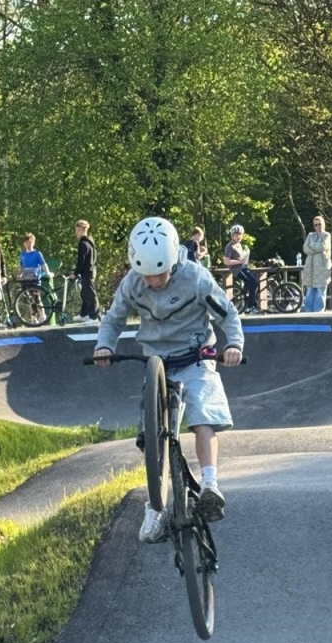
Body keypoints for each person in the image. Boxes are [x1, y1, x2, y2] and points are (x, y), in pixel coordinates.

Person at [93, 216, 243, 542]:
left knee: (203, 413)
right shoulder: (133, 283)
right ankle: (156, 506)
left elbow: (227, 314)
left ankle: (210, 485)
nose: (154, 281)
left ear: (174, 260)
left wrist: (233, 345)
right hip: (157, 363)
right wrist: (105, 346)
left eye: (160, 273)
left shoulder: (196, 278)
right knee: (150, 436)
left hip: (195, 358)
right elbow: (113, 319)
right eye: (147, 274)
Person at [223, 223, 259, 313]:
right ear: (232, 235)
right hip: (237, 270)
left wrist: (245, 260)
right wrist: (240, 262)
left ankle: (253, 304)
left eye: (240, 234)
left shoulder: (239, 245)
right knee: (253, 283)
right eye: (236, 234)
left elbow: (242, 259)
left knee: (255, 283)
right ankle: (249, 308)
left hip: (244, 268)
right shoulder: (230, 246)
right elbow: (226, 262)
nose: (238, 236)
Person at [70, 219, 100, 321]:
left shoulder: (83, 243)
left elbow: (81, 261)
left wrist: (75, 273)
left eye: (78, 230)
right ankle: (85, 314)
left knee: (90, 294)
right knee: (84, 293)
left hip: (88, 271)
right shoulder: (90, 241)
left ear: (83, 230)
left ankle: (94, 317)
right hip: (90, 270)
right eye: (76, 230)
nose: (76, 232)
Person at [301, 215, 332, 312]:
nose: (318, 226)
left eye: (319, 224)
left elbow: (323, 247)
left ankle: (318, 312)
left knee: (320, 290)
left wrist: (311, 245)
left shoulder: (327, 235)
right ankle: (308, 311)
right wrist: (315, 248)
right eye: (316, 225)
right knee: (310, 290)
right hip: (310, 267)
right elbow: (305, 249)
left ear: (323, 224)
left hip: (322, 268)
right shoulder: (310, 235)